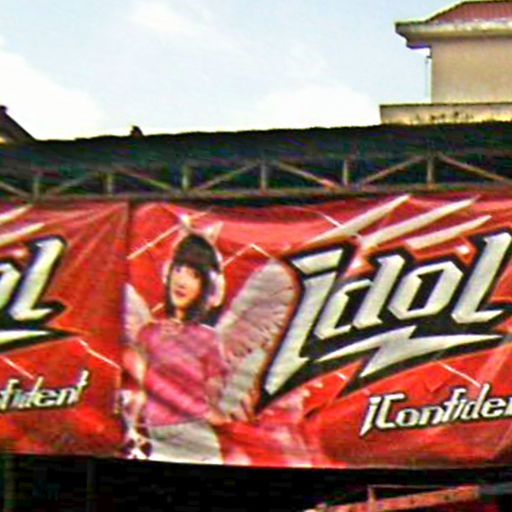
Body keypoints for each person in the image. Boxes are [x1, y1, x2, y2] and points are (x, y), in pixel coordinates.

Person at [124, 232, 228, 463]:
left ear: (205, 286)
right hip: (159, 438)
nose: (182, 281)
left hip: (197, 438)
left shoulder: (207, 338)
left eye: (194, 275)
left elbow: (216, 393)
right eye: (178, 270)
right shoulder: (149, 333)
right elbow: (139, 387)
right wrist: (130, 425)